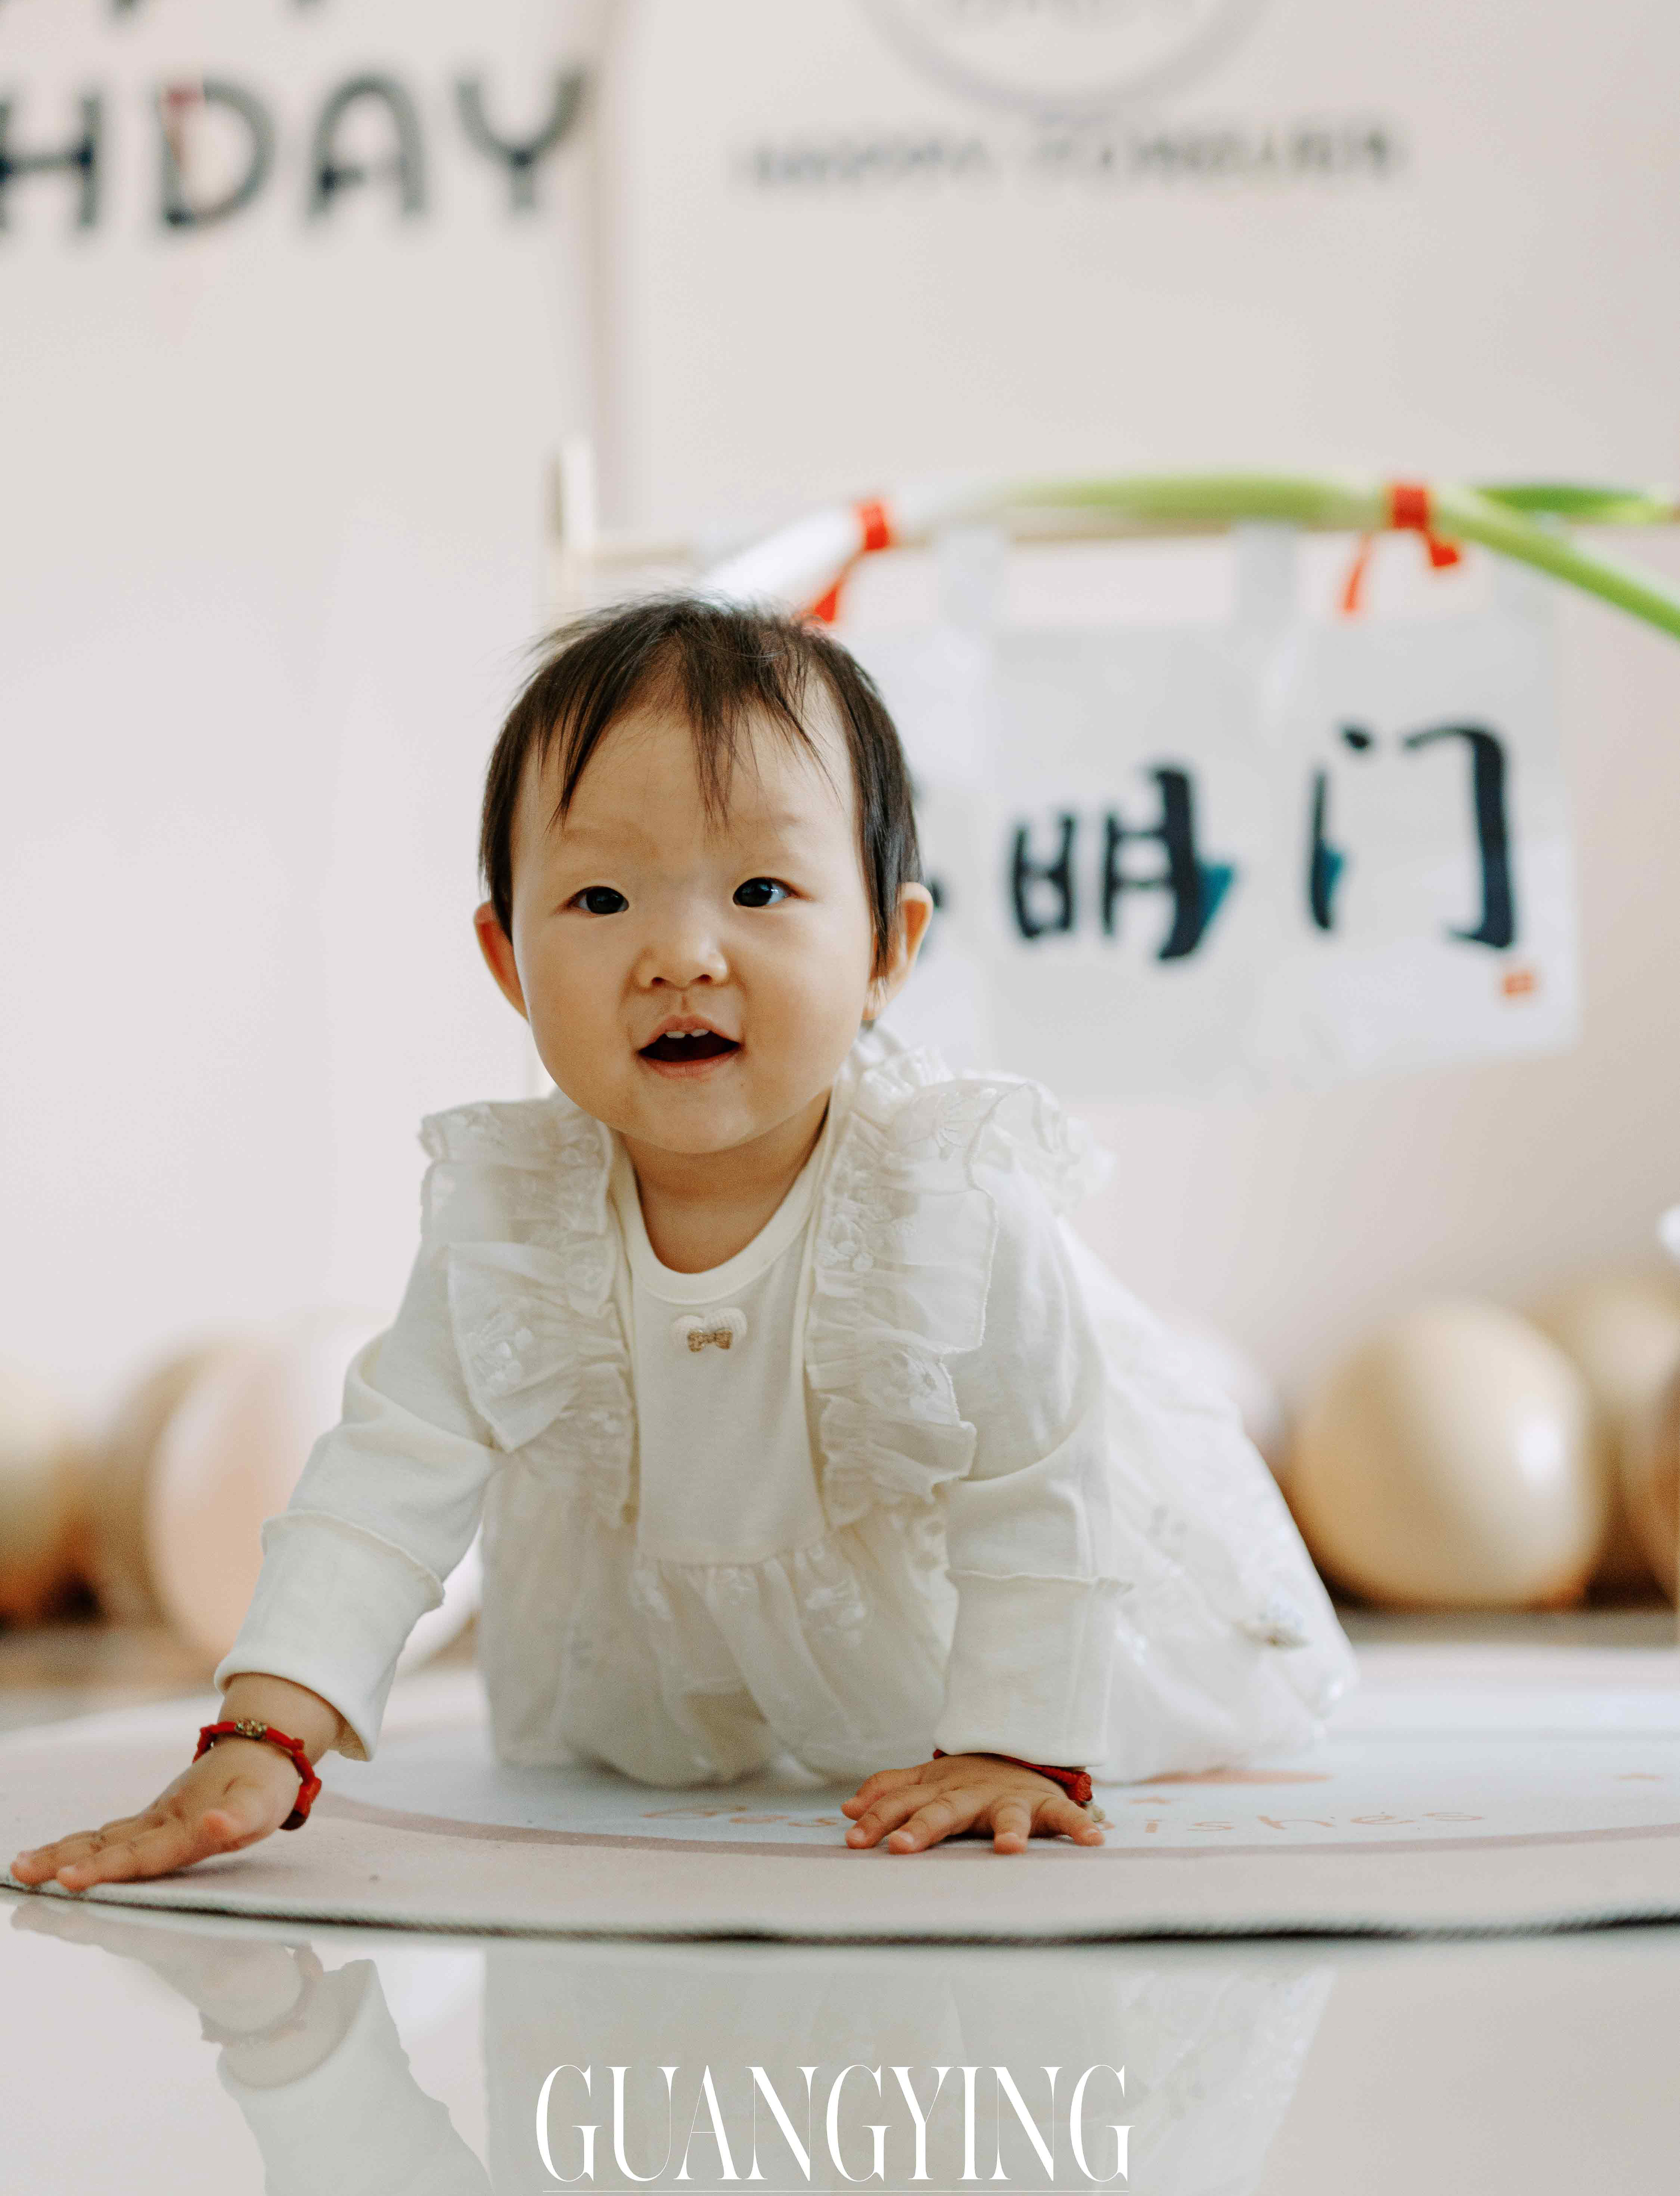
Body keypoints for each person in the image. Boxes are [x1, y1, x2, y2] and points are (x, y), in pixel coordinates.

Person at [10, 597, 1353, 1895]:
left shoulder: (948, 1199)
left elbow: (1041, 1476)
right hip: (668, 1673)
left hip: (956, 1629)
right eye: (599, 899)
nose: (679, 954)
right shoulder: (509, 1215)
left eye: (760, 888)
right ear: (506, 961)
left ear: (887, 948)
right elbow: (384, 1479)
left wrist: (1014, 1741)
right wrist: (265, 1733)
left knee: (1052, 1588)